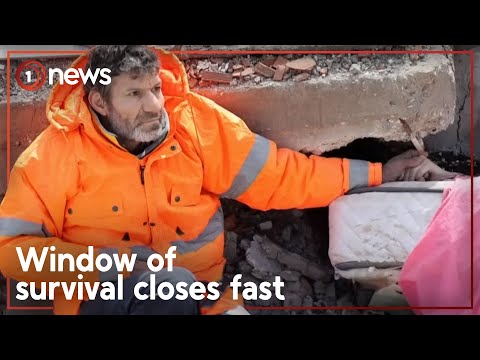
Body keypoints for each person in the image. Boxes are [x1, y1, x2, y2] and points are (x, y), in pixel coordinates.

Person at [0, 45, 452, 315]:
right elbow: (11, 253)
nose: (154, 105)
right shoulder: (54, 154)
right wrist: (106, 271)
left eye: (155, 89)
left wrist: (375, 173)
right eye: (134, 95)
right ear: (99, 103)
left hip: (201, 298)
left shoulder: (194, 123)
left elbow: (279, 176)